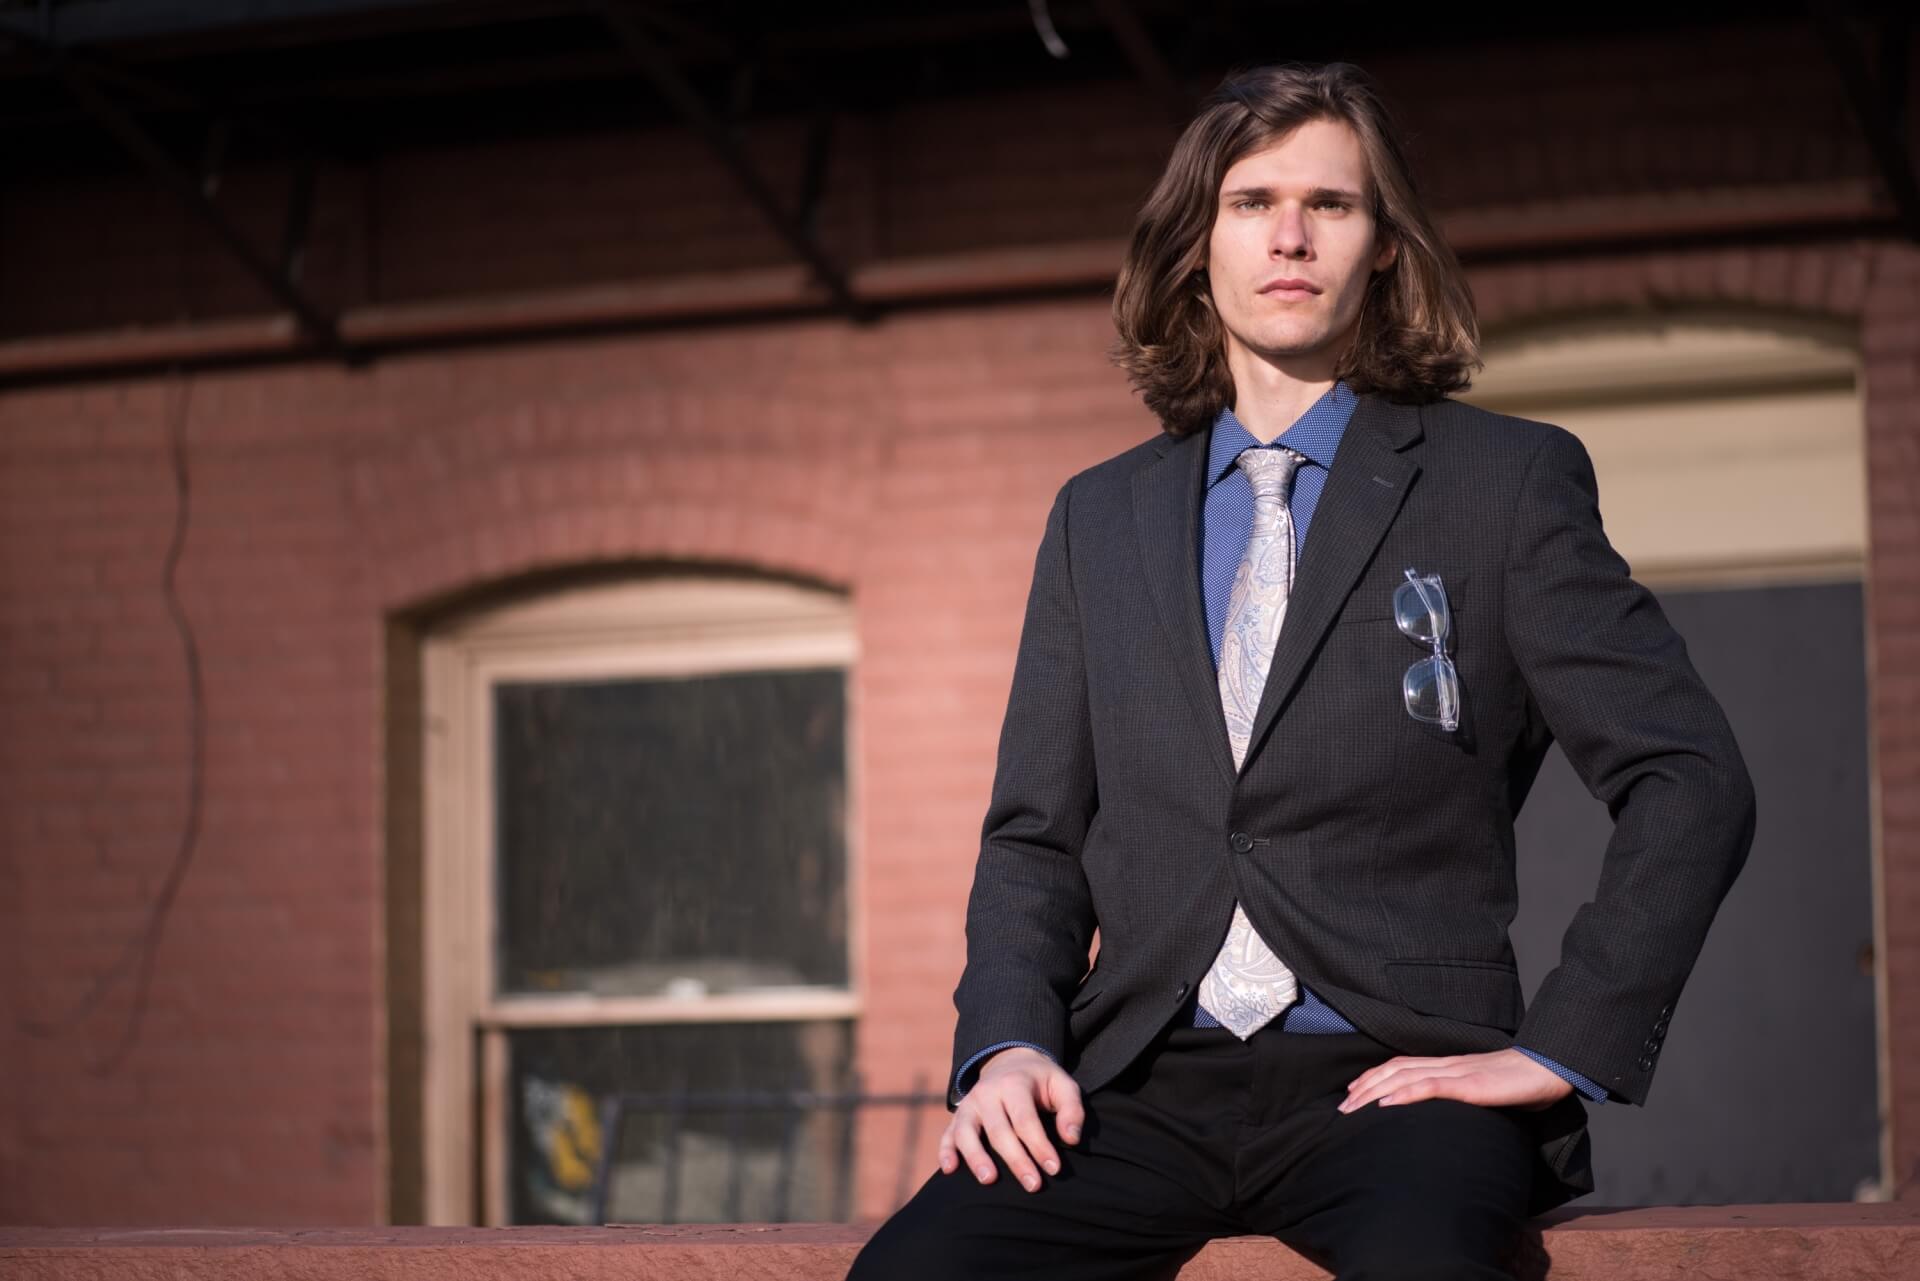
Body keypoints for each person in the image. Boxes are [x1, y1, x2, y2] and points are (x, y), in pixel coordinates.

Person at [847, 60, 1755, 1281]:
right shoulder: (1096, 518)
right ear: (1197, 245)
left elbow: (1689, 776)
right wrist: (1007, 1044)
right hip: (1135, 1084)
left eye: (1330, 204)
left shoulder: (1505, 484)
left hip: (1395, 1081)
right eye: (1251, 203)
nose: (1290, 236)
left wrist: (1561, 1047)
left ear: (1384, 247)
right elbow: (1034, 841)